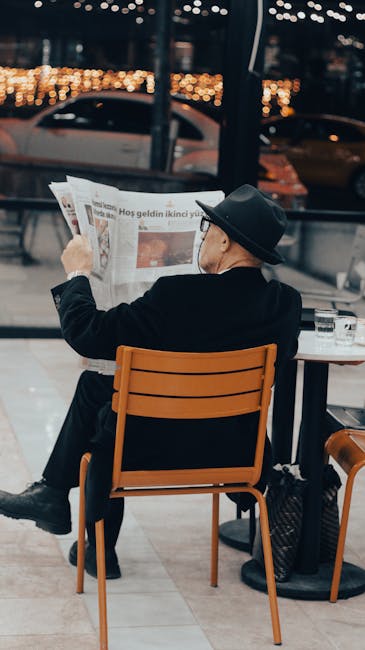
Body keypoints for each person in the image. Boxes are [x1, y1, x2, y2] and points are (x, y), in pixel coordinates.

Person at [0, 184, 302, 580]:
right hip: (235, 455)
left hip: (143, 453)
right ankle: (55, 501)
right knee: (99, 389)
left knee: (102, 410)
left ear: (224, 240)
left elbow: (87, 333)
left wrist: (77, 273)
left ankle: (75, 521)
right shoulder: (284, 304)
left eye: (207, 230)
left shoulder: (175, 295)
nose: (204, 239)